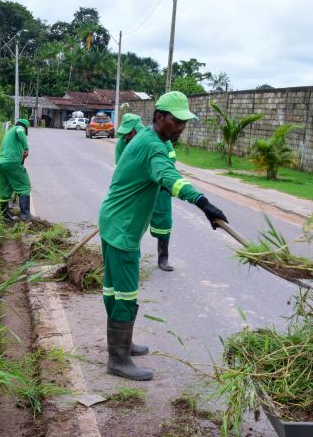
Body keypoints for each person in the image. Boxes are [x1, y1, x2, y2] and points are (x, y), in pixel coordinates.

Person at [98, 91, 228, 381]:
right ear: (159, 117)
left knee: (113, 289)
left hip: (112, 220)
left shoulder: (145, 138)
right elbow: (169, 177)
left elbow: (163, 178)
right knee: (125, 293)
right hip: (122, 229)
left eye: (184, 122)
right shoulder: (154, 146)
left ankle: (123, 343)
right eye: (176, 121)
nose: (181, 127)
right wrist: (203, 203)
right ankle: (117, 359)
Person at [115, 114, 176, 272]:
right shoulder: (123, 143)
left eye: (129, 132)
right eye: (124, 133)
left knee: (163, 220)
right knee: (132, 220)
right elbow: (120, 169)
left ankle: (163, 258)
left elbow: (169, 165)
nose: (126, 136)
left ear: (136, 129)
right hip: (136, 187)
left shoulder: (162, 142)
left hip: (159, 186)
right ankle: (132, 254)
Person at [0, 118, 33, 222]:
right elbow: (20, 130)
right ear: (25, 127)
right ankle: (25, 215)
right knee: (24, 185)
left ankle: (4, 215)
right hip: (12, 162)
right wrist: (26, 148)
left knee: (6, 189)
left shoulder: (9, 131)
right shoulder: (18, 128)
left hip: (2, 163)